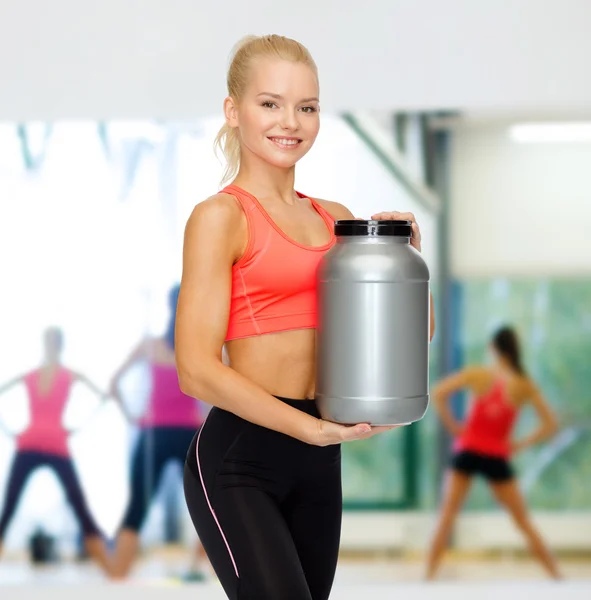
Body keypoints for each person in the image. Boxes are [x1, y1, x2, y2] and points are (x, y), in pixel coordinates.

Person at [177, 34, 436, 600]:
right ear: (234, 110)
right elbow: (195, 370)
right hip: (240, 458)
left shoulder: (337, 221)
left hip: (318, 459)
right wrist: (310, 429)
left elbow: (404, 347)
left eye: (307, 106)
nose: (289, 121)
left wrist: (408, 261)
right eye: (269, 103)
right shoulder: (220, 217)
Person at [425, 325, 561, 580]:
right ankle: (557, 578)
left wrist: (455, 426)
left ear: (494, 349)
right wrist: (520, 444)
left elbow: (438, 392)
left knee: (447, 515)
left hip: (468, 450)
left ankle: (427, 579)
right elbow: (550, 424)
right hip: (496, 455)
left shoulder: (480, 375)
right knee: (523, 521)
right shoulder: (524, 384)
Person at [108, 284, 209, 579]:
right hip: (189, 435)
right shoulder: (200, 345)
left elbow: (114, 384)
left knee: (136, 507)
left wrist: (133, 416)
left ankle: (116, 577)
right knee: (207, 507)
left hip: (154, 433)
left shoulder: (150, 346)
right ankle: (198, 569)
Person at [0, 327, 110, 571]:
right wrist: (8, 430)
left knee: (78, 504)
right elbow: (103, 397)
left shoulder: (61, 375)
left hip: (51, 444)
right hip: (32, 443)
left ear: (57, 345)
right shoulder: (39, 374)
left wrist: (77, 426)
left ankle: (107, 566)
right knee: (9, 506)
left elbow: (103, 397)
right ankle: (108, 565)